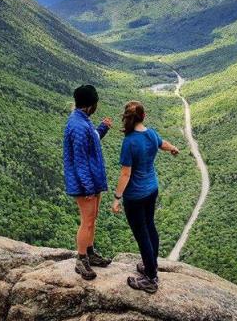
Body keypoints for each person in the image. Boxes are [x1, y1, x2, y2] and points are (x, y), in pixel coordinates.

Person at [111, 100, 179, 293]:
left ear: (126, 118)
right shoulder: (150, 134)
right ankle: (151, 265)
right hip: (152, 190)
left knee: (142, 234)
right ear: (144, 116)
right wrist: (173, 148)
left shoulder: (129, 142)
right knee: (150, 227)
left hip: (135, 196)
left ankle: (150, 277)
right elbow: (162, 143)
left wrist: (117, 198)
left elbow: (126, 174)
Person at [63, 84, 113, 280]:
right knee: (87, 221)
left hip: (91, 181)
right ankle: (81, 259)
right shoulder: (77, 125)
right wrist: (88, 187)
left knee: (92, 219)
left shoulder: (83, 122)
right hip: (85, 184)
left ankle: (90, 254)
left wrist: (102, 128)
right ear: (91, 105)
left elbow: (92, 139)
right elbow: (80, 160)